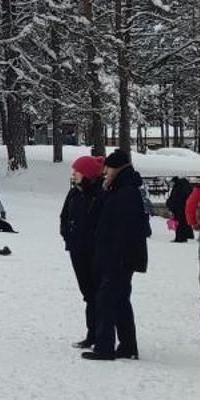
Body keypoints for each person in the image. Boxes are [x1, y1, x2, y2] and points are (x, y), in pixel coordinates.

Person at [84, 147, 148, 360]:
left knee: (106, 300)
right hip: (115, 256)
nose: (105, 173)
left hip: (119, 257)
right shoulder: (116, 189)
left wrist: (118, 257)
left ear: (117, 169)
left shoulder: (126, 192)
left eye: (108, 169)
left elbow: (127, 229)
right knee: (119, 300)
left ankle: (105, 347)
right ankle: (128, 345)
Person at [59, 155, 105, 349]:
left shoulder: (99, 194)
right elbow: (64, 215)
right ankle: (92, 332)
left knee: (96, 293)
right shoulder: (74, 193)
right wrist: (67, 235)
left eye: (76, 171)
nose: (73, 174)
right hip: (76, 248)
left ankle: (98, 334)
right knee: (87, 292)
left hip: (94, 250)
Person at [166, 176, 194, 244]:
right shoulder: (186, 186)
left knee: (179, 223)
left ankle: (180, 238)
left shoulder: (177, 187)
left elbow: (174, 198)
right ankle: (189, 235)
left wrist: (169, 205)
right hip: (186, 207)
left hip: (178, 208)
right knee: (185, 221)